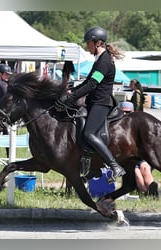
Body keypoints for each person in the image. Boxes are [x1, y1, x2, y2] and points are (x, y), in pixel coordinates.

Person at [56, 26, 126, 183]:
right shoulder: (99, 60)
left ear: (98, 43)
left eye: (89, 42)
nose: (87, 46)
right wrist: (71, 91)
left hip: (101, 103)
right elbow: (87, 82)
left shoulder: (105, 61)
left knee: (89, 134)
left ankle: (115, 167)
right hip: (93, 102)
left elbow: (92, 85)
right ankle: (91, 165)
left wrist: (72, 97)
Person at [119, 101, 160, 199]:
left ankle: (151, 188)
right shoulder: (117, 127)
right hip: (128, 160)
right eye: (123, 112)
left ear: (133, 111)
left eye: (128, 112)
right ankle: (148, 192)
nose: (125, 114)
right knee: (136, 171)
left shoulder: (138, 125)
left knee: (144, 167)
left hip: (141, 157)